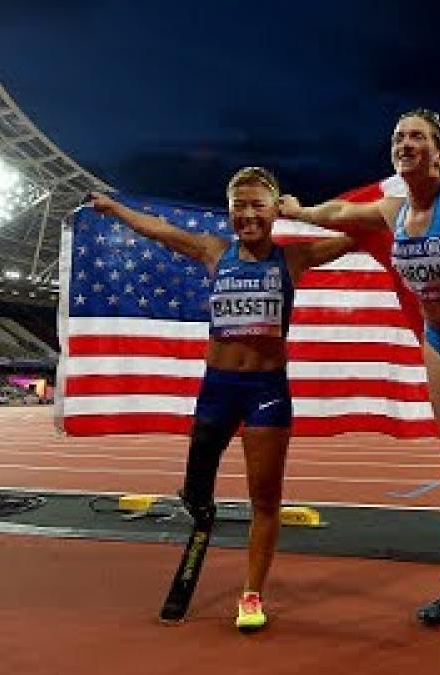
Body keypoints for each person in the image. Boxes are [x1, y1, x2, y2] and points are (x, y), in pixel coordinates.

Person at [279, 109, 440, 669]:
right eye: (397, 137)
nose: (403, 143)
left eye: (416, 136)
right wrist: (298, 210)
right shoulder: (392, 210)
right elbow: (339, 212)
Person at [87, 167, 355, 631]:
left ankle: (251, 595)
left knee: (265, 500)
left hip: (267, 393)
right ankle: (200, 506)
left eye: (258, 205)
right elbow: (162, 231)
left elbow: (361, 230)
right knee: (195, 490)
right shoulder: (215, 252)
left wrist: (304, 212)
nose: (248, 214)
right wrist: (113, 208)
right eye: (239, 206)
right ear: (229, 211)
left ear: (274, 210)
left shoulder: (293, 260)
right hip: (218, 389)